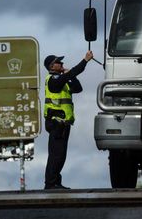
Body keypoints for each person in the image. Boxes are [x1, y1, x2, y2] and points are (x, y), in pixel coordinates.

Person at [43, 50, 93, 189]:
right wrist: (85, 60)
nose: (62, 63)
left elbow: (78, 88)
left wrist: (70, 75)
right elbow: (70, 75)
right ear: (52, 67)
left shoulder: (62, 81)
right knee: (56, 155)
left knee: (60, 155)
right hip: (56, 123)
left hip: (64, 124)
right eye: (59, 62)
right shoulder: (53, 81)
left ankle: (55, 182)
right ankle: (50, 184)